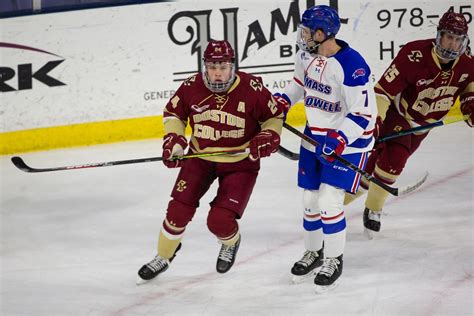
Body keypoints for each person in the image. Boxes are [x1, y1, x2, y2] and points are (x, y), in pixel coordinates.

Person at [137, 39, 286, 284]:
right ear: (205, 65)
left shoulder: (251, 88)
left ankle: (231, 242)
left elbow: (274, 116)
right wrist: (174, 140)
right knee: (177, 211)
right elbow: (174, 113)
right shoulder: (190, 86)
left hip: (240, 162)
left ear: (232, 66)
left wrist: (268, 134)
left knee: (219, 221)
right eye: (213, 66)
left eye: (224, 66)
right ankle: (164, 256)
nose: (218, 73)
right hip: (200, 158)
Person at [344, 8, 474, 237]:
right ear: (439, 35)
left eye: (457, 39)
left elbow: (470, 88)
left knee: (375, 165)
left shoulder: (467, 63)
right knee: (393, 162)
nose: (453, 44)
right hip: (400, 116)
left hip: (425, 126)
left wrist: (470, 104)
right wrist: (376, 119)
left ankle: (335, 202)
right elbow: (383, 92)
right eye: (449, 37)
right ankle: (372, 209)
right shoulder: (414, 54)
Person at [274, 5, 377, 291]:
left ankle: (334, 258)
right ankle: (314, 251)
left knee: (329, 202)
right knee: (309, 201)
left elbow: (363, 114)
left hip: (349, 143)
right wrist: (283, 99)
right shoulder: (306, 55)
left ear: (322, 33)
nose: (302, 35)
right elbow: (298, 84)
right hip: (314, 137)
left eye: (307, 31)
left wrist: (340, 140)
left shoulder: (352, 65)